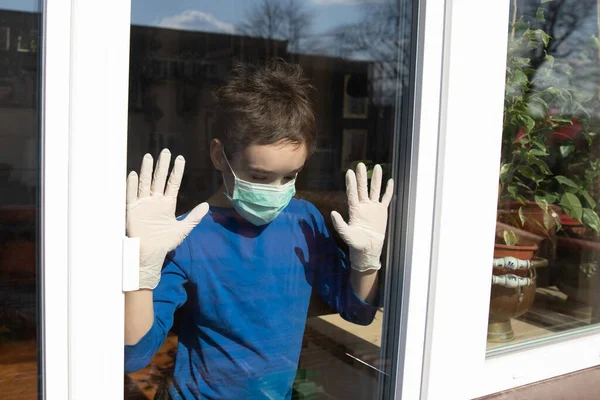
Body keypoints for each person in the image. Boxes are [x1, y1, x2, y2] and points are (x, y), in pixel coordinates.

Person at [124, 59, 394, 399]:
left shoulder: (304, 221)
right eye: (260, 177)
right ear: (220, 156)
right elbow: (134, 355)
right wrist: (140, 270)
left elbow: (358, 312)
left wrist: (366, 261)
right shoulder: (184, 237)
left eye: (291, 176)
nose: (276, 190)